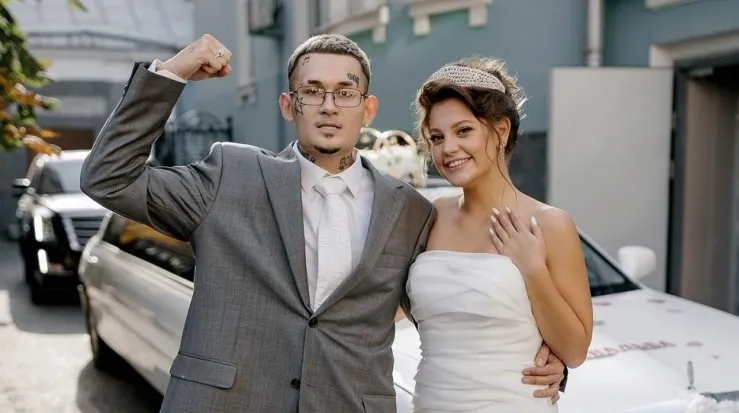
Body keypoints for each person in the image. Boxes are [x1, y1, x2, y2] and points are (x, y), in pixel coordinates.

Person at [80, 33, 566, 413]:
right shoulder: (230, 176)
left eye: (345, 92)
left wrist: (544, 358)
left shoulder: (410, 209)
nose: (329, 106)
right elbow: (108, 178)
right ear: (288, 105)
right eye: (312, 92)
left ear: (367, 109)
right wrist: (174, 72)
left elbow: (450, 304)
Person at [406, 57, 593, 412]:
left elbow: (574, 351)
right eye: (437, 137)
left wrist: (532, 269)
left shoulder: (550, 224)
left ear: (501, 130)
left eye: (463, 131)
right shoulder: (429, 216)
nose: (448, 148)